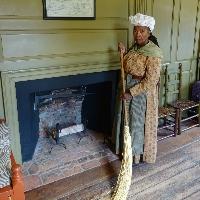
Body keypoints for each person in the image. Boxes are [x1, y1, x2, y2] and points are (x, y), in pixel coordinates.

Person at [112, 13, 163, 164]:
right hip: (127, 88)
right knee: (126, 121)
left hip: (141, 93)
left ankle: (135, 156)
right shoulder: (135, 48)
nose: (138, 34)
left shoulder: (154, 53)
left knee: (137, 123)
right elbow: (129, 65)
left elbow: (151, 80)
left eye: (142, 31)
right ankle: (125, 149)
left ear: (149, 32)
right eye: (135, 30)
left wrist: (131, 92)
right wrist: (123, 52)